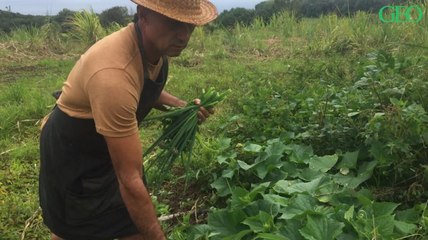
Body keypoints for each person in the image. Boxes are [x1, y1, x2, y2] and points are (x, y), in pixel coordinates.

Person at [38, 0, 218, 239]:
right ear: (143, 15)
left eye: (190, 26)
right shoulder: (113, 75)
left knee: (129, 222)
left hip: (111, 146)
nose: (184, 36)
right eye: (174, 23)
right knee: (75, 228)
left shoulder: (155, 47)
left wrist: (180, 106)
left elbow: (140, 87)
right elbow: (130, 180)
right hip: (76, 153)